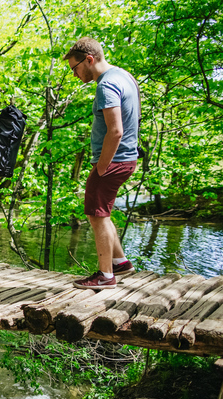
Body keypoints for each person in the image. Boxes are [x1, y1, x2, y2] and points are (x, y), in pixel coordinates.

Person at [65, 37, 140, 290]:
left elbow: (116, 130)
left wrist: (102, 166)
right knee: (102, 212)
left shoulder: (106, 85)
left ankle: (106, 276)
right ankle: (119, 262)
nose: (74, 74)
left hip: (114, 160)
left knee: (95, 215)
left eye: (75, 68)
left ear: (89, 60)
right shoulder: (124, 76)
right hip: (127, 158)